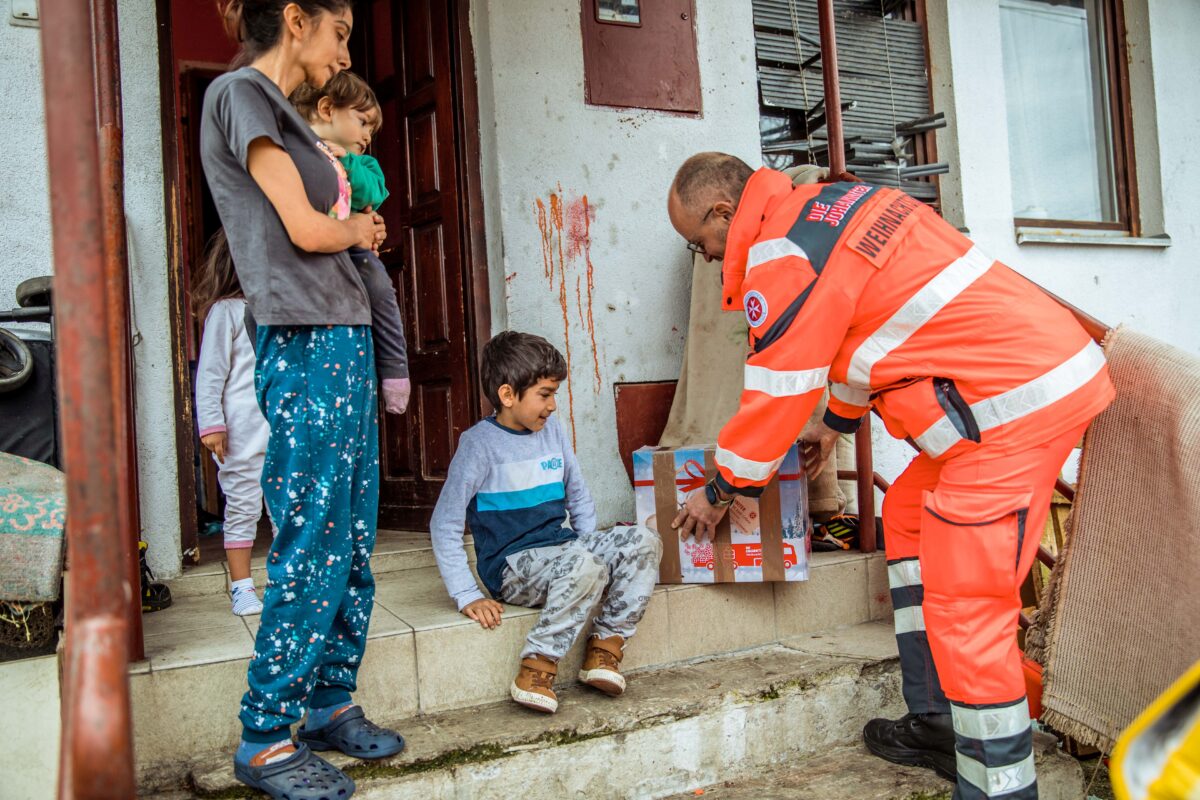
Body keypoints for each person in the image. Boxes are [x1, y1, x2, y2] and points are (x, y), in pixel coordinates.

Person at [666, 152, 1115, 800]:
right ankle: (935, 722)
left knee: (967, 611)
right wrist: (837, 425)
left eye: (700, 242)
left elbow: (775, 396)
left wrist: (719, 490)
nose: (706, 258)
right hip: (1014, 386)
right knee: (905, 514)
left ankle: (998, 787)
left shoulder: (778, 254)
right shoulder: (830, 207)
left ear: (722, 212)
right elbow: (869, 331)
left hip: (1009, 409)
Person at [201, 2, 403, 796]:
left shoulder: (285, 111)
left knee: (352, 530)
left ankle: (327, 700)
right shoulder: (242, 95)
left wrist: (353, 230)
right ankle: (264, 734)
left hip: (343, 334)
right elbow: (306, 230)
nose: (343, 51)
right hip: (303, 335)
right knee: (314, 535)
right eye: (340, 32)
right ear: (295, 18)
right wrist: (357, 231)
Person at [429, 331, 662, 714]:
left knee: (642, 539)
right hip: (512, 567)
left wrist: (596, 555)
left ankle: (605, 647)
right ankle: (537, 665)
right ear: (508, 396)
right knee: (583, 563)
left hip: (564, 551)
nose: (553, 405)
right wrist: (466, 593)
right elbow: (445, 524)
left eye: (554, 394)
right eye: (545, 394)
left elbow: (579, 495)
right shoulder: (479, 446)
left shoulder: (551, 431)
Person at [289, 71, 411, 413]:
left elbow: (374, 193)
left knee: (379, 287)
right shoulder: (292, 152)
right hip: (305, 256)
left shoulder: (362, 162)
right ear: (327, 109)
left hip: (352, 250)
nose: (367, 136)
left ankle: (395, 368)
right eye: (362, 122)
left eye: (371, 129)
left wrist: (343, 160)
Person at [192, 229, 271, 616]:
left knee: (286, 506)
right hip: (241, 432)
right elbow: (210, 373)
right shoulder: (227, 311)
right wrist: (212, 425)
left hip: (281, 429)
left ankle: (284, 578)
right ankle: (241, 586)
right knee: (242, 506)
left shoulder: (280, 308)